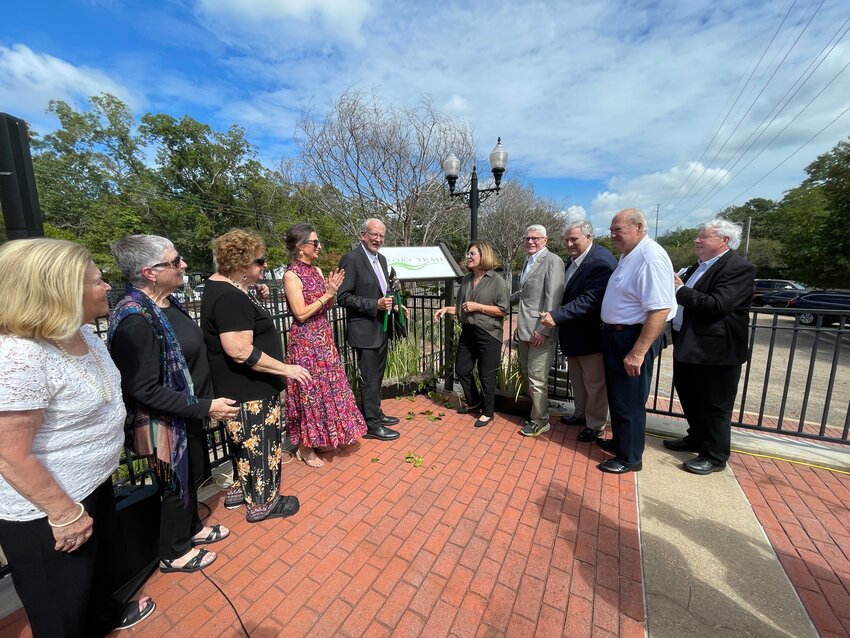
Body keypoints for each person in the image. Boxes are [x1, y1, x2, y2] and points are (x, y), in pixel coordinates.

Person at [0, 238, 155, 636]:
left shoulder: (83, 334)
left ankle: (105, 617)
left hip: (93, 482)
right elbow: (9, 453)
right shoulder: (20, 355)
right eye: (97, 280)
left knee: (95, 575)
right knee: (61, 606)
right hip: (49, 504)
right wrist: (65, 513)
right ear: (59, 291)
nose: (107, 287)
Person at [107, 235, 241, 573]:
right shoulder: (135, 319)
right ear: (150, 272)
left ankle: (192, 529)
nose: (183, 265)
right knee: (174, 486)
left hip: (187, 414)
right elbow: (143, 389)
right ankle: (174, 550)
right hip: (164, 424)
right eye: (175, 261)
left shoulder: (165, 303)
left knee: (193, 476)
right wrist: (205, 406)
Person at [201, 229, 310, 523]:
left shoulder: (223, 289)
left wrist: (250, 292)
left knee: (244, 446)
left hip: (239, 388)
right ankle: (263, 503)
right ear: (241, 264)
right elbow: (239, 350)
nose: (264, 267)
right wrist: (286, 368)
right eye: (259, 262)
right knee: (260, 447)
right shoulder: (229, 298)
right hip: (250, 390)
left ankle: (242, 490)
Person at [666, 219, 755, 474]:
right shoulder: (698, 266)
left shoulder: (738, 267)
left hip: (717, 351)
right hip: (690, 345)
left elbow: (719, 305)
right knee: (690, 395)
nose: (697, 240)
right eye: (698, 236)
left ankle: (715, 456)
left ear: (724, 241)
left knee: (715, 405)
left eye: (703, 237)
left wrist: (680, 289)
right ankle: (696, 437)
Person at [597, 208, 676, 474]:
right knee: (618, 397)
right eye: (611, 230)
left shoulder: (650, 257)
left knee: (629, 399)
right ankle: (621, 443)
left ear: (639, 227)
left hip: (633, 338)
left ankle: (630, 458)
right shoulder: (629, 254)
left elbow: (660, 309)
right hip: (617, 335)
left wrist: (638, 351)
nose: (612, 235)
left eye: (618, 230)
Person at [282, 223, 367, 466]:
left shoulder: (318, 271)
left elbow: (327, 306)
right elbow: (300, 313)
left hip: (323, 337)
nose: (319, 246)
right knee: (308, 392)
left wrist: (331, 293)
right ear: (300, 247)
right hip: (305, 342)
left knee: (327, 388)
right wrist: (326, 295)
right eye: (314, 242)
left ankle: (320, 438)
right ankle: (305, 448)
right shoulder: (291, 275)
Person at [539, 219, 618, 442]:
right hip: (573, 335)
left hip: (591, 336)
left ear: (589, 237)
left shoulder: (600, 261)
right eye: (566, 240)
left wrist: (556, 316)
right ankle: (581, 413)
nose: (569, 244)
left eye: (574, 239)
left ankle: (595, 424)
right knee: (578, 380)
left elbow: (590, 299)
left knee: (595, 383)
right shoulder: (574, 261)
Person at [337, 218, 405, 441]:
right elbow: (343, 297)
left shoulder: (382, 260)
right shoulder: (351, 259)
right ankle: (372, 426)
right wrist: (373, 304)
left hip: (381, 328)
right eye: (374, 234)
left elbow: (384, 292)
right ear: (362, 235)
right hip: (364, 331)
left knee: (377, 376)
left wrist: (394, 304)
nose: (378, 239)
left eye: (381, 236)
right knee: (369, 378)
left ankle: (375, 413)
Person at [435, 242, 509, 428]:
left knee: (486, 375)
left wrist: (479, 307)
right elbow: (463, 308)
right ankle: (475, 402)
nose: (468, 256)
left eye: (472, 253)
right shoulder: (467, 280)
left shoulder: (496, 280)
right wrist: (447, 308)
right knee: (462, 369)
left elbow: (503, 310)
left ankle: (488, 412)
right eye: (468, 253)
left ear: (483, 255)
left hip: (489, 334)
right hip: (468, 332)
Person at [510, 224, 565, 437]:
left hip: (540, 333)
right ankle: (537, 413)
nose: (531, 241)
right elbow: (524, 294)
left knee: (536, 378)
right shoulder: (527, 261)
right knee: (527, 374)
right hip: (524, 329)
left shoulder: (553, 261)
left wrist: (544, 330)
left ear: (545, 239)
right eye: (527, 238)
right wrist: (501, 301)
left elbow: (554, 299)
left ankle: (540, 420)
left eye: (536, 238)